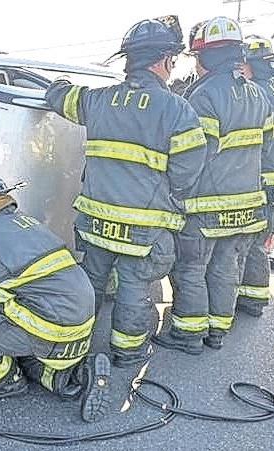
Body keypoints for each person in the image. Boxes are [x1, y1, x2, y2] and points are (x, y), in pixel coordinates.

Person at [45, 16, 207, 367]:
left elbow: (59, 96)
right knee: (134, 286)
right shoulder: (178, 110)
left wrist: (57, 82)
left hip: (95, 222)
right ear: (166, 61)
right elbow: (188, 171)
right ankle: (128, 352)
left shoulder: (97, 100)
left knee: (91, 281)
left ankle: (75, 345)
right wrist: (170, 198)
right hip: (143, 227)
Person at [0, 171, 111, 423]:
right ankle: (76, 376)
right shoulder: (28, 224)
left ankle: (5, 383)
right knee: (11, 328)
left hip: (50, 326)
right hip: (79, 323)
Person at [154, 17, 274, 353]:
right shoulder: (257, 94)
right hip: (247, 205)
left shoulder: (203, 95)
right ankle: (217, 332)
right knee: (225, 267)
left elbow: (195, 156)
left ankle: (188, 334)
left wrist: (174, 191)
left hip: (206, 205)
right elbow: (266, 149)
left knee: (191, 269)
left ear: (206, 56)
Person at [236, 35, 274, 317]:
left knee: (247, 242)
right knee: (258, 241)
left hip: (259, 179)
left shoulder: (255, 95)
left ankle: (246, 298)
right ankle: (254, 297)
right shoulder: (269, 90)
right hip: (268, 182)